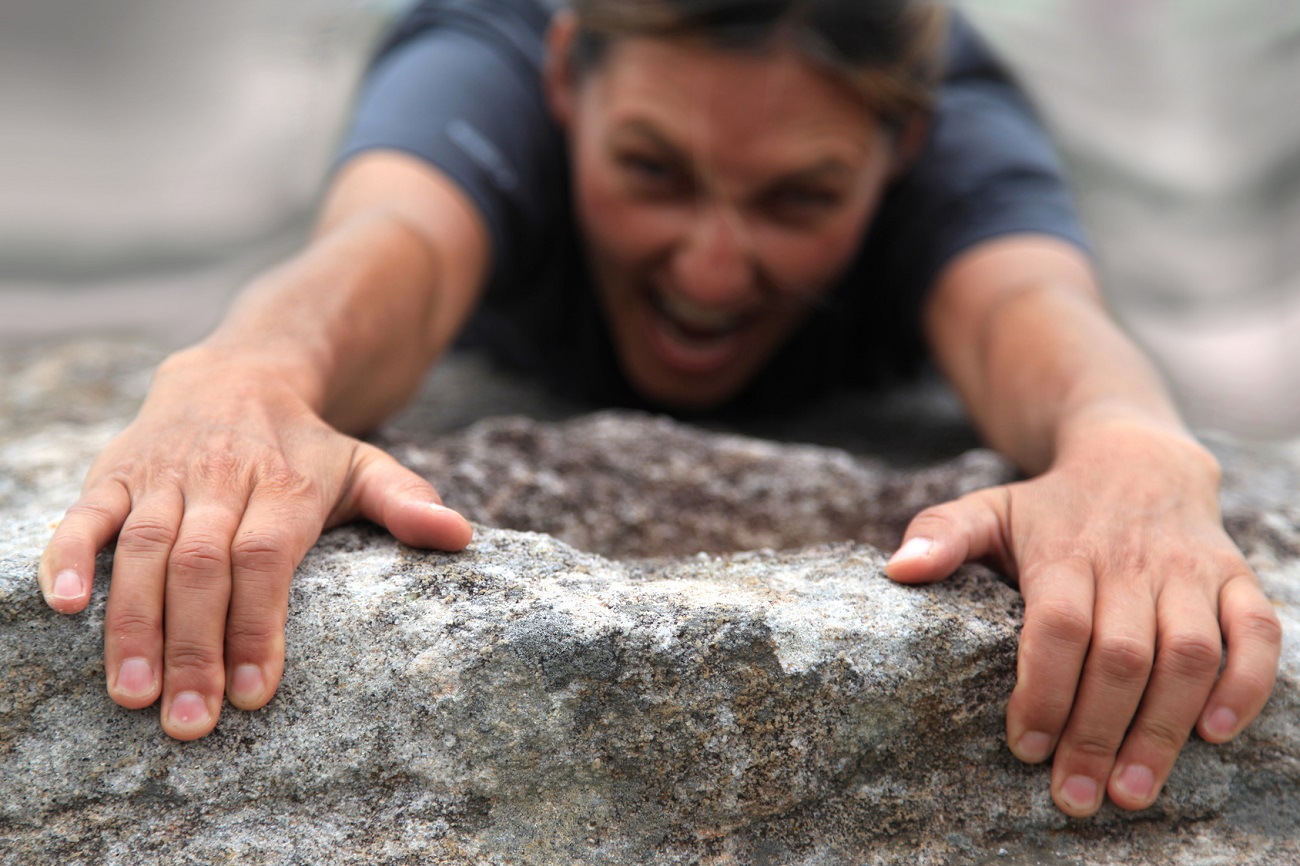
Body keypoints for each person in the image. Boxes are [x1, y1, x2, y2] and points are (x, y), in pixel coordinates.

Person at [37, 0, 1280, 820]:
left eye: (797, 200)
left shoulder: (956, 130)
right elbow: (388, 246)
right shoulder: (489, 56)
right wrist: (249, 371)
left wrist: (1130, 449)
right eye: (653, 172)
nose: (709, 270)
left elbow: (1040, 321)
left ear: (904, 151)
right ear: (568, 71)